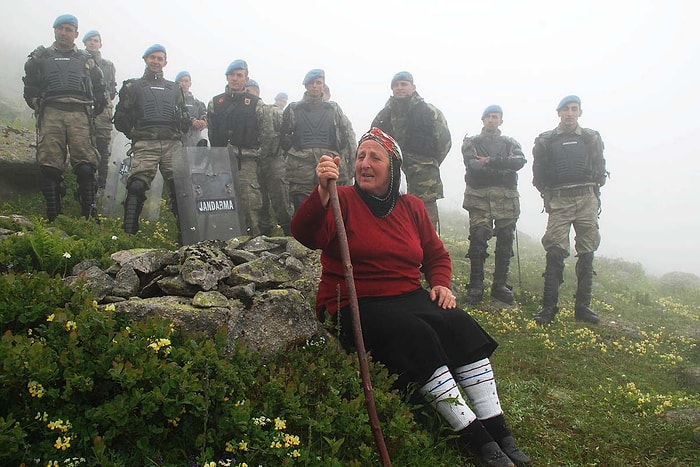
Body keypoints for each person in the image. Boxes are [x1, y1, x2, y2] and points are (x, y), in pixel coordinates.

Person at [291, 128, 531, 467]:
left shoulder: (412, 206)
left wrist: (441, 283)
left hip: (407, 294)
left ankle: (499, 430)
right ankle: (477, 439)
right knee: (415, 334)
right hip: (353, 302)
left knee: (458, 323)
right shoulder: (340, 198)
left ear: (393, 168)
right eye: (361, 157)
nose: (365, 163)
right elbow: (305, 234)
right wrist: (320, 192)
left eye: (375, 157)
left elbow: (436, 255)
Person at [22, 14, 108, 221]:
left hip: (80, 114)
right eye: (60, 28)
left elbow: (100, 89)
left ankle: (88, 216)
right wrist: (39, 106)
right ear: (54, 30)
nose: (64, 32)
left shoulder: (86, 61)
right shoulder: (39, 58)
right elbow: (30, 88)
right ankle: (54, 217)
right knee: (49, 165)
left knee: (86, 166)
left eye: (68, 29)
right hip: (51, 113)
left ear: (76, 34)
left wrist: (91, 113)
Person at [531, 95, 608, 325]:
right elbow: (538, 175)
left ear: (580, 112)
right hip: (559, 200)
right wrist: (550, 194)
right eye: (565, 109)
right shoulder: (545, 140)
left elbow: (600, 168)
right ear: (559, 113)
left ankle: (583, 308)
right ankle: (548, 309)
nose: (570, 113)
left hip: (586, 198)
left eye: (574, 109)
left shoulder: (591, 138)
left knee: (587, 252)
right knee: (555, 251)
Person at [113, 43, 190, 237]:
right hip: (145, 143)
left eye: (160, 58)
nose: (156, 61)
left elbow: (183, 117)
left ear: (165, 62)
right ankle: (129, 234)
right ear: (146, 59)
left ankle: (187, 235)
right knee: (136, 185)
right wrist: (135, 134)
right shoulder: (132, 86)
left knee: (180, 188)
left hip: (172, 144)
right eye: (152, 57)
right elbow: (121, 117)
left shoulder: (174, 88)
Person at [461, 105, 526, 305]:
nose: (491, 120)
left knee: (506, 239)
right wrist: (503, 165)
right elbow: (473, 166)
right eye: (488, 116)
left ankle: (500, 285)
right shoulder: (471, 142)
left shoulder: (510, 142)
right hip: (479, 196)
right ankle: (476, 285)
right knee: (479, 237)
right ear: (483, 120)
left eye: (495, 116)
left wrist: (489, 160)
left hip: (506, 197)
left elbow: (519, 162)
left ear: (501, 120)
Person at [371, 71, 451, 231]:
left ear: (413, 87)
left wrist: (428, 165)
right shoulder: (383, 115)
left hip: (424, 180)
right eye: (396, 85)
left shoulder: (430, 112)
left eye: (404, 84)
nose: (399, 88)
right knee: (391, 222)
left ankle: (428, 256)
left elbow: (444, 143)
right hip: (391, 176)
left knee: (425, 224)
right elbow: (372, 143)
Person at [207, 60, 276, 236]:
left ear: (246, 78)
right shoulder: (215, 103)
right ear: (227, 77)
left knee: (249, 206)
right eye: (232, 75)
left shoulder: (256, 104)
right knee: (220, 204)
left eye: (239, 75)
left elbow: (267, 134)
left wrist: (260, 158)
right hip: (221, 161)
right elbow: (212, 133)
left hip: (246, 162)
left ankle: (252, 246)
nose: (235, 79)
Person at [279, 68, 355, 211]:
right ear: (306, 86)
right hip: (301, 171)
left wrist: (350, 164)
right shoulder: (293, 109)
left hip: (330, 165)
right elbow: (284, 137)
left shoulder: (333, 109)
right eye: (311, 83)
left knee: (334, 210)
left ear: (323, 85)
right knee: (303, 210)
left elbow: (346, 136)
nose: (315, 86)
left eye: (318, 82)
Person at [245, 78, 292, 235]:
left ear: (257, 92)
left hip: (274, 161)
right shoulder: (242, 115)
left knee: (282, 201)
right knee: (259, 203)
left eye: (249, 90)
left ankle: (291, 236)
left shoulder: (272, 111)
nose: (247, 94)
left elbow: (288, 133)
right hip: (252, 163)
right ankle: (264, 240)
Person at [82, 29, 117, 193]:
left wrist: (104, 100)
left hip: (104, 109)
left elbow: (112, 87)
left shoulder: (108, 65)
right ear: (84, 42)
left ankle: (101, 185)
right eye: (90, 40)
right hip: (82, 105)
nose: (92, 43)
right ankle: (85, 183)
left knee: (103, 145)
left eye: (96, 40)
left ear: (100, 44)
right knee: (84, 143)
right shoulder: (79, 60)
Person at [322, 83, 357, 185]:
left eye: (323, 94)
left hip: (339, 168)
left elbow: (351, 142)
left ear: (328, 95)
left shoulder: (340, 118)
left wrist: (353, 164)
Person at [175, 70, 208, 147]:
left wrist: (203, 121)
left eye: (186, 81)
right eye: (181, 81)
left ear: (190, 84)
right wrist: (191, 121)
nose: (183, 84)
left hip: (195, 144)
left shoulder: (198, 104)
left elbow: (205, 114)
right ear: (176, 83)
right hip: (178, 143)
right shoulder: (173, 102)